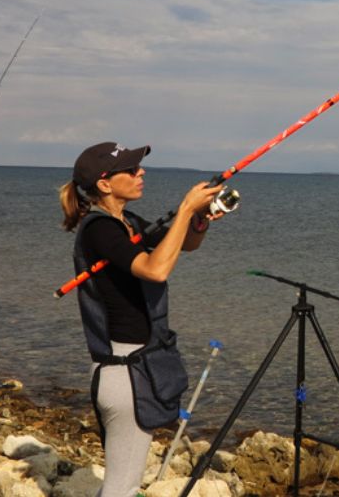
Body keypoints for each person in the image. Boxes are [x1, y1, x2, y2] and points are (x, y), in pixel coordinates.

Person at [59, 142, 222, 497]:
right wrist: (184, 209)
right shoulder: (100, 230)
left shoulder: (127, 222)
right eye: (131, 170)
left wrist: (199, 219)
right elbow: (156, 269)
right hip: (122, 371)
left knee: (124, 485)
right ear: (105, 184)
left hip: (136, 364)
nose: (141, 172)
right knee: (121, 487)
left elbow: (183, 245)